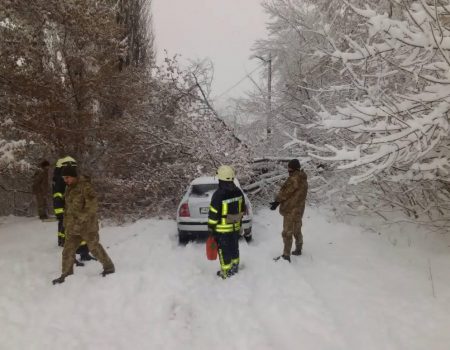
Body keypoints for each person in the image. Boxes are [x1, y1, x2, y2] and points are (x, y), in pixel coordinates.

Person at [52, 165, 115, 284]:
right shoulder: (68, 188)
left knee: (94, 248)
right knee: (67, 251)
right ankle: (66, 275)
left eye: (67, 178)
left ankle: (109, 267)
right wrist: (66, 222)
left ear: (74, 176)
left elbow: (92, 206)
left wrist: (80, 218)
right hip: (72, 228)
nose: (65, 180)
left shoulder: (85, 187)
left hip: (87, 227)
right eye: (64, 178)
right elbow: (68, 208)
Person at [52, 156, 94, 262]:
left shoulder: (74, 179)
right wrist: (60, 213)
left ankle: (84, 253)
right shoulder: (60, 181)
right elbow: (57, 197)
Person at [208, 165, 246, 279]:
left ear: (220, 179)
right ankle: (235, 267)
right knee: (234, 247)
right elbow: (242, 208)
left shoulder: (218, 194)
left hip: (222, 230)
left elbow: (213, 213)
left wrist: (211, 228)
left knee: (224, 251)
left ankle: (226, 272)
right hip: (235, 228)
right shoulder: (238, 191)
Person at [270, 159, 308, 262]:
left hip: (291, 210)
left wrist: (276, 202)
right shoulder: (303, 179)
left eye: (289, 167)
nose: (288, 169)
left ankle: (286, 256)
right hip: (299, 210)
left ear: (293, 168)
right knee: (297, 230)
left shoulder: (294, 179)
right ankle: (299, 249)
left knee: (287, 233)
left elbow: (285, 192)